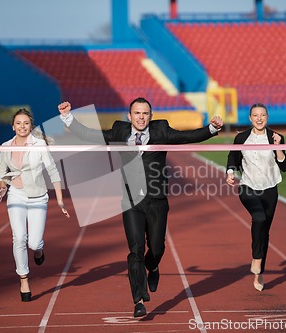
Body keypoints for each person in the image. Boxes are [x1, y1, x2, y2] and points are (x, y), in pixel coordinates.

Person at [58, 97, 223, 317]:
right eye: (137, 113)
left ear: (151, 115)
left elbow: (187, 136)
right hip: (130, 202)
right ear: (130, 116)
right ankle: (138, 300)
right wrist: (68, 117)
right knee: (135, 251)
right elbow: (91, 135)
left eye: (145, 113)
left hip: (157, 200)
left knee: (156, 248)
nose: (141, 117)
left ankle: (153, 267)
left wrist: (212, 128)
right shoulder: (119, 131)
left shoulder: (162, 131)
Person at [0, 108, 70, 302]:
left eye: (26, 123)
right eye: (18, 123)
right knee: (19, 238)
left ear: (31, 126)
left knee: (33, 242)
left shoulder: (39, 145)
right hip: (16, 195)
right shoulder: (5, 146)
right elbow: (2, 173)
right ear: (13, 126)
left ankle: (39, 249)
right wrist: (3, 186)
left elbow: (52, 171)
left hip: (37, 196)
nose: (22, 126)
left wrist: (60, 199)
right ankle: (24, 279)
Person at [225, 103, 286, 291]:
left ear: (267, 117)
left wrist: (277, 147)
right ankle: (256, 258)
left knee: (264, 231)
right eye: (255, 115)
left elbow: (284, 166)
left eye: (262, 115)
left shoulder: (276, 137)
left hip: (270, 188)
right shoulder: (241, 138)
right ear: (250, 118)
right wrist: (230, 172)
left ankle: (258, 271)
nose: (259, 118)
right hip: (248, 187)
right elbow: (233, 158)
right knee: (258, 218)